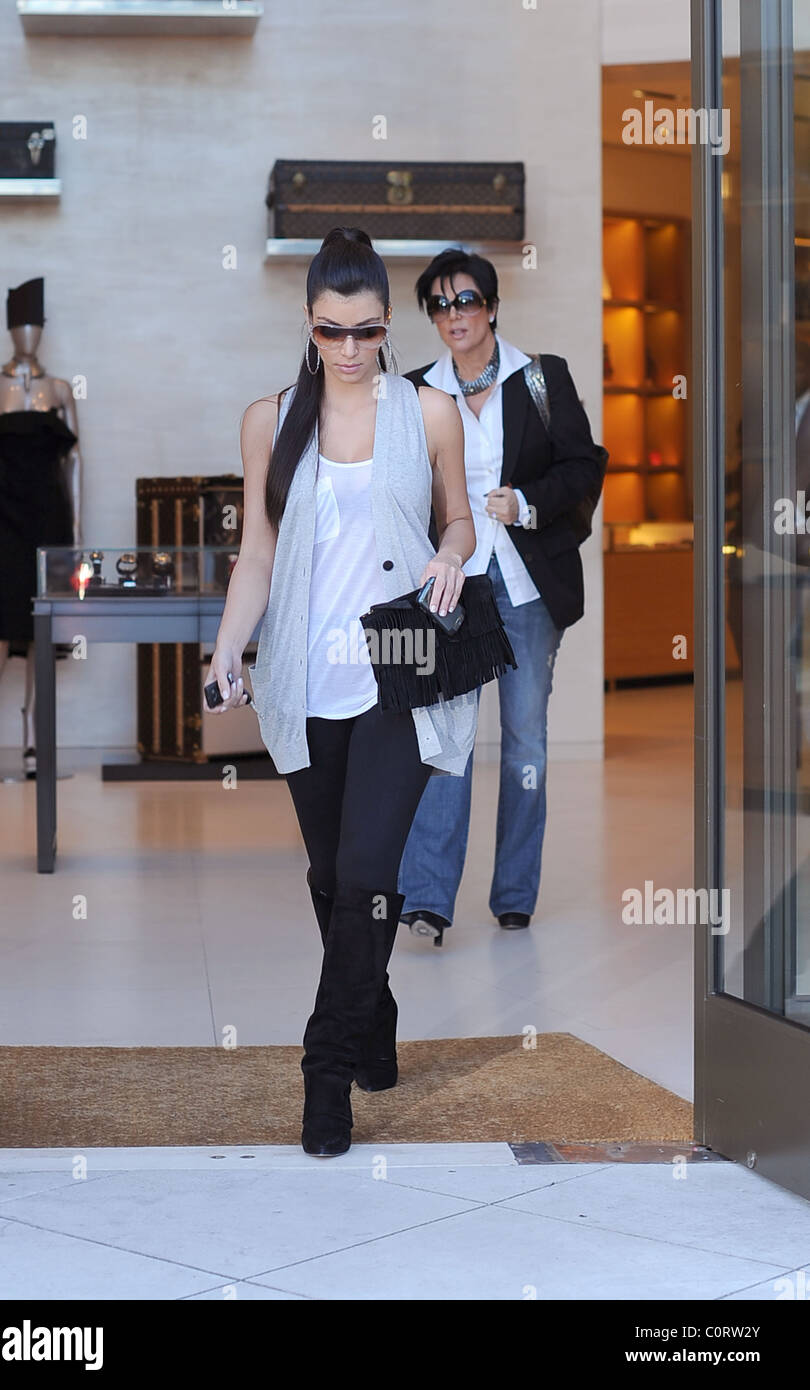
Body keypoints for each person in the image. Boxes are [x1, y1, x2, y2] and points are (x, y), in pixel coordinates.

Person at [205, 227, 478, 1156]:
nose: (350, 351)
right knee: (332, 881)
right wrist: (229, 646)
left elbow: (461, 520)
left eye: (367, 332)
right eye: (332, 332)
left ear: (391, 324)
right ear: (309, 323)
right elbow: (258, 557)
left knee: (368, 877)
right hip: (305, 675)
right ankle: (378, 1007)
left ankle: (326, 1075)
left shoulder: (429, 411)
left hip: (400, 665)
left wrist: (449, 554)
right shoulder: (269, 418)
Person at [398, 248, 606, 946]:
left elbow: (584, 465)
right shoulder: (416, 391)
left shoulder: (542, 379)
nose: (453, 315)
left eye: (465, 300)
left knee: (526, 746)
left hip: (524, 590)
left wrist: (526, 503)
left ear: (490, 305)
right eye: (439, 304)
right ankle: (427, 898)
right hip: (450, 587)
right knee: (447, 742)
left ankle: (514, 895)